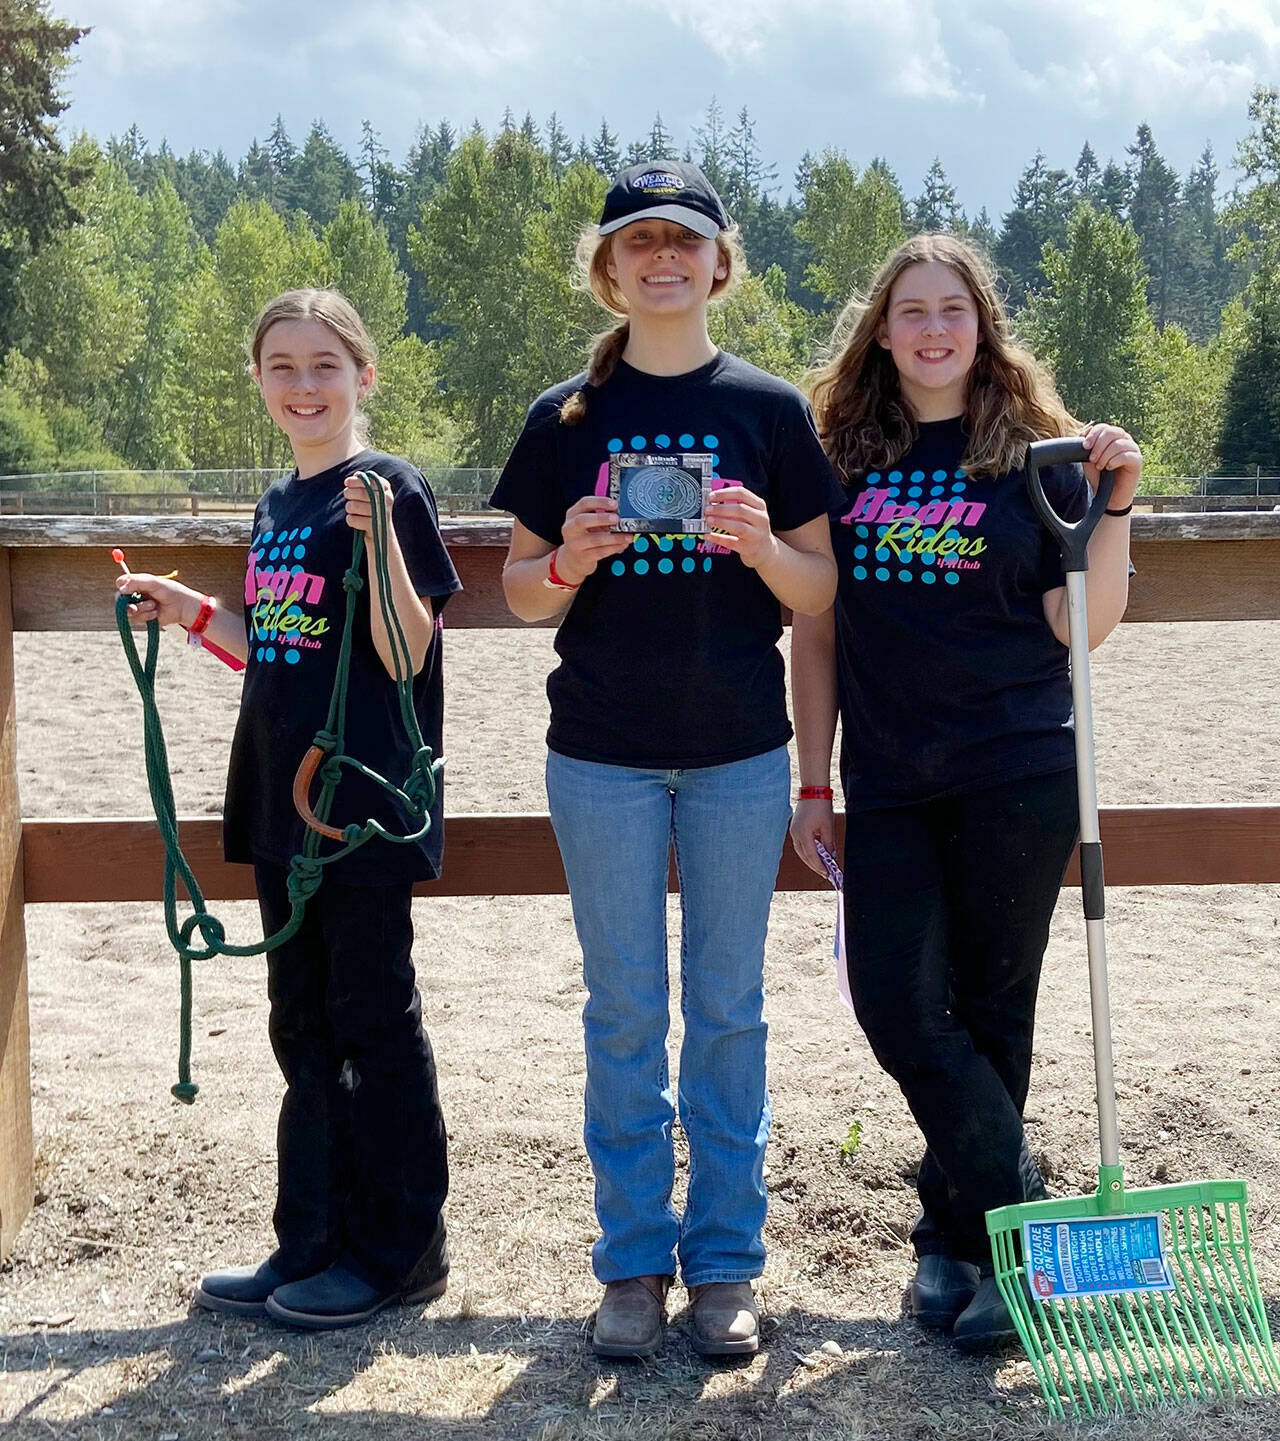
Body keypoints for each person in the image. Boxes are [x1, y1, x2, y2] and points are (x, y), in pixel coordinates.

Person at [491, 161, 841, 1358]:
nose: (660, 258)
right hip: (600, 757)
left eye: (681, 240)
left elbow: (818, 589)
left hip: (742, 754)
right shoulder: (563, 418)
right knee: (626, 1012)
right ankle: (632, 1265)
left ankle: (726, 1264)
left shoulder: (768, 408)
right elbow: (519, 594)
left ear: (716, 263)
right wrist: (572, 559)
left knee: (730, 1012)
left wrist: (757, 547)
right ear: (607, 268)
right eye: (636, 241)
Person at [791, 234, 1141, 1351]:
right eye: (910, 311)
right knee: (895, 1004)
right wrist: (812, 775)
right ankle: (1020, 1217)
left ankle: (952, 1249)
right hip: (888, 780)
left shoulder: (1037, 461)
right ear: (880, 332)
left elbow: (1076, 626)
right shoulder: (836, 460)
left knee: (994, 1013)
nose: (932, 329)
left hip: (1017, 772)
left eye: (953, 309)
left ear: (980, 327)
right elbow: (817, 633)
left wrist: (1116, 507)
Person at [116, 288, 461, 1330]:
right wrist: (190, 613)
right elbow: (275, 647)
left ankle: (401, 1249)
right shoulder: (277, 504)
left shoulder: (385, 488)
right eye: (282, 367)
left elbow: (406, 653)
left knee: (370, 1018)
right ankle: (308, 1238)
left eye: (324, 365)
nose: (303, 386)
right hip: (281, 795)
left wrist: (384, 545)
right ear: (260, 381)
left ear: (363, 376)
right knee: (299, 1022)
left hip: (358, 802)